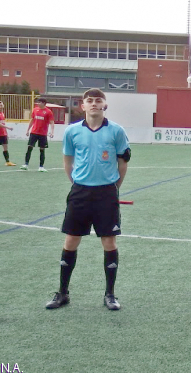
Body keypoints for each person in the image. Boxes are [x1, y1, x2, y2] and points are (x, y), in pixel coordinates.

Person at [45, 88, 131, 311]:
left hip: (106, 193)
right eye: (89, 100)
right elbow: (68, 161)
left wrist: (114, 187)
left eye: (98, 100)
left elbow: (123, 163)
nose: (94, 103)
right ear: (82, 106)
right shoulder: (72, 131)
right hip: (80, 193)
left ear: (104, 105)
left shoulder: (116, 131)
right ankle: (63, 293)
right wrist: (77, 183)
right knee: (71, 241)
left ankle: (110, 294)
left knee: (109, 242)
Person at [22, 97, 55, 171]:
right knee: (29, 148)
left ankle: (41, 167)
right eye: (38, 102)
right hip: (34, 132)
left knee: (42, 150)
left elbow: (52, 122)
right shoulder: (35, 110)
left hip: (43, 134)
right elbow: (32, 120)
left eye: (39, 102)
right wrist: (28, 130)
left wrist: (52, 132)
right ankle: (26, 164)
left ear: (44, 103)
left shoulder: (48, 112)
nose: (38, 103)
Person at [0, 100, 17, 166]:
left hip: (3, 134)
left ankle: (7, 162)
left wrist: (6, 133)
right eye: (0, 105)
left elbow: (3, 123)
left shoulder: (2, 113)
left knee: (5, 147)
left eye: (2, 104)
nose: (1, 106)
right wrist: (8, 127)